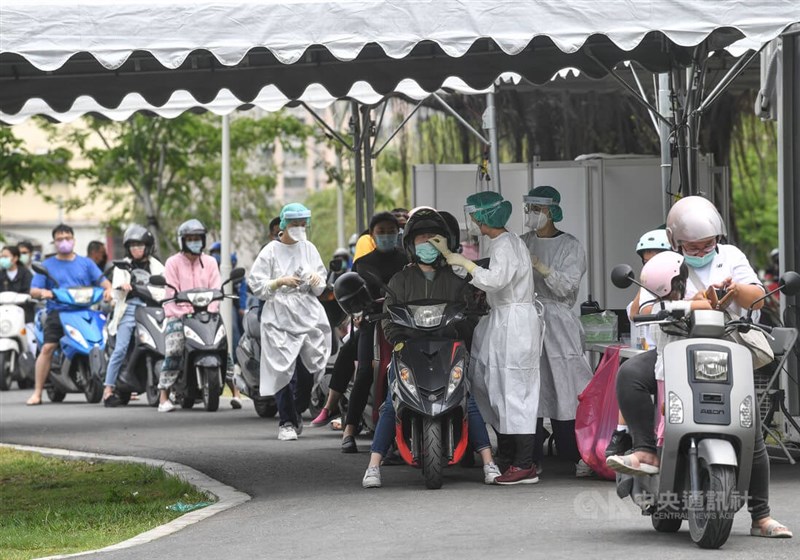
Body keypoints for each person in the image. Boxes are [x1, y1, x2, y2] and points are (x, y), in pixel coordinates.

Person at [607, 196, 792, 539]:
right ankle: (645, 448)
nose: (702, 250)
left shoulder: (731, 257)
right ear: (677, 241)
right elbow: (640, 307)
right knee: (631, 374)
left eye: (708, 243)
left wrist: (735, 291)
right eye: (693, 245)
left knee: (750, 430)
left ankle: (761, 516)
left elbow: (759, 299)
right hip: (675, 350)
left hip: (726, 353)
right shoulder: (666, 262)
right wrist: (696, 301)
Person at [361, 208, 500, 488]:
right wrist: (397, 336)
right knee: (392, 401)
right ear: (411, 244)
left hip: (448, 349)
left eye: (433, 238)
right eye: (421, 238)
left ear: (445, 243)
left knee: (466, 398)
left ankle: (488, 462)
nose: (427, 244)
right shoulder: (400, 281)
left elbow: (470, 314)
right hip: (408, 348)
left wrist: (462, 327)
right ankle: (373, 465)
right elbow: (388, 318)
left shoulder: (455, 281)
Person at [430, 192, 542, 485]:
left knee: (516, 392)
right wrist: (454, 260)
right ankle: (511, 457)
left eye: (476, 215)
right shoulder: (507, 242)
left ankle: (524, 463)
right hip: (506, 321)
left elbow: (494, 280)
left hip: (514, 324)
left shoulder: (505, 244)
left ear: (487, 216)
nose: (474, 220)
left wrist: (462, 262)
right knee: (497, 388)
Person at [312, 212, 408, 452]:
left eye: (390, 231)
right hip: (372, 324)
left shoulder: (407, 260)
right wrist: (360, 313)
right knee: (365, 372)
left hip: (403, 325)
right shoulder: (363, 263)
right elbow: (353, 295)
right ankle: (350, 430)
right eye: (381, 232)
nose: (386, 235)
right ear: (372, 236)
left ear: (398, 233)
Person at [518, 186, 594, 477]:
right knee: (530, 388)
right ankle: (529, 457)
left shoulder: (570, 246)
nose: (532, 215)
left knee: (567, 388)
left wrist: (542, 267)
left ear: (552, 212)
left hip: (559, 322)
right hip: (528, 320)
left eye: (537, 209)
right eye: (529, 209)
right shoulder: (522, 241)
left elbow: (567, 286)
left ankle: (578, 454)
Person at [249, 203, 332, 440]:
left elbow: (319, 285)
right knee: (282, 369)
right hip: (278, 316)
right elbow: (256, 284)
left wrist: (317, 279)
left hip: (307, 314)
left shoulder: (309, 249)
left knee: (308, 370)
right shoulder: (270, 251)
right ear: (284, 225)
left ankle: (297, 410)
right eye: (294, 224)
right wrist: (279, 282)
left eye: (302, 224)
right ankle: (285, 422)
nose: (299, 228)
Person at [26, 224, 113, 405]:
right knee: (48, 348)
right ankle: (37, 392)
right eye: (59, 239)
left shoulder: (86, 263)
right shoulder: (47, 265)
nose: (64, 242)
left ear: (73, 240)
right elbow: (34, 289)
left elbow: (104, 282)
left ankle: (113, 386)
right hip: (58, 312)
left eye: (67, 238)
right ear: (54, 242)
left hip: (85, 311)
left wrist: (108, 290)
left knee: (107, 342)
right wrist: (43, 293)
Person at [605, 228, 670, 457]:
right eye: (646, 263)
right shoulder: (649, 285)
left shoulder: (685, 278)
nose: (651, 268)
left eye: (657, 261)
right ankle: (632, 438)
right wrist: (646, 286)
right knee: (629, 373)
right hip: (660, 351)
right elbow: (635, 313)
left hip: (691, 349)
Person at [157, 219, 222, 413]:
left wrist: (210, 309)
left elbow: (216, 289)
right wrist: (183, 312)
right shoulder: (172, 263)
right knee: (175, 349)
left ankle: (234, 390)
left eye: (198, 238)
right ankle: (163, 396)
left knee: (221, 343)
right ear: (182, 241)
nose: (194, 242)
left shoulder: (210, 262)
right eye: (190, 238)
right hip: (179, 316)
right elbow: (170, 294)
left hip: (206, 315)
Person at [102, 225, 165, 407]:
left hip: (152, 309)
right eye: (132, 245)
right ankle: (108, 389)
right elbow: (116, 285)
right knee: (121, 348)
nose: (136, 248)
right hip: (129, 309)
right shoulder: (123, 266)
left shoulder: (156, 265)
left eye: (140, 244)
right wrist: (123, 286)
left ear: (148, 246)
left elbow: (165, 285)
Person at [209, 241, 246, 410]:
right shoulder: (207, 267)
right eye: (214, 252)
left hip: (223, 309)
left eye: (219, 252)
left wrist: (243, 307)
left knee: (227, 342)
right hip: (194, 312)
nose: (216, 255)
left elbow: (242, 290)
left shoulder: (229, 270)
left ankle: (235, 391)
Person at [0, 245, 35, 322]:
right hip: (3, 315)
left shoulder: (26, 274)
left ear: (15, 258)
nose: (2, 259)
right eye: (1, 257)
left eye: (5, 257)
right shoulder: (1, 274)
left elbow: (29, 292)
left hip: (24, 315)